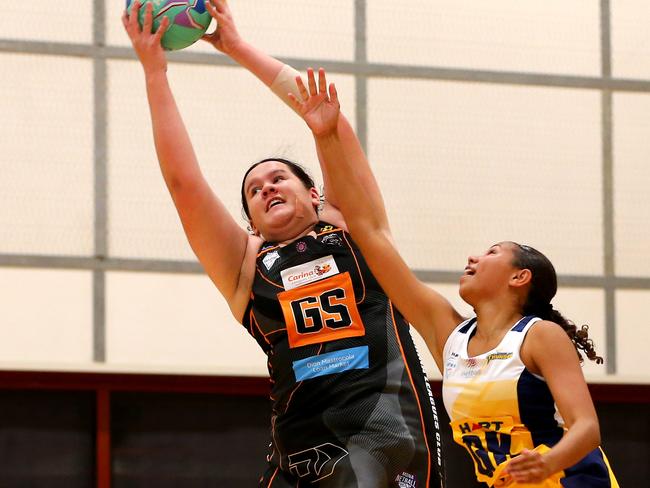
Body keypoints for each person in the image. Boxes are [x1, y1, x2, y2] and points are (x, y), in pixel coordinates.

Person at [122, 1, 445, 486]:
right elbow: (183, 183)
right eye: (255, 191)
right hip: (300, 446)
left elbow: (327, 119)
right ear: (250, 223)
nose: (267, 188)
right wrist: (155, 72)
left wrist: (234, 45)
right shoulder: (246, 265)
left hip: (385, 429)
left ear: (315, 195)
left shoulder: (354, 227)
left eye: (278, 179)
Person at [288, 67, 620, 487]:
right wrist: (327, 137)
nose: (474, 256)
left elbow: (586, 427)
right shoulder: (450, 336)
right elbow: (369, 234)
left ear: (519, 277)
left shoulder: (540, 336)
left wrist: (549, 461)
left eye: (492, 252)